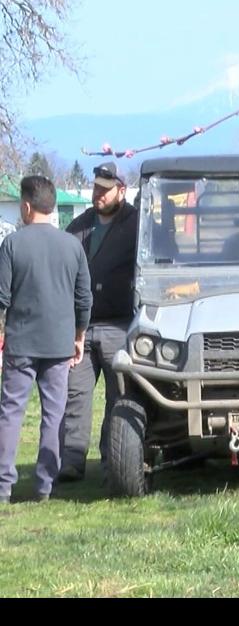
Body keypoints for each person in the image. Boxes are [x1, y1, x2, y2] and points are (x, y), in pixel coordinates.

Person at [0, 175, 91, 504]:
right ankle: (43, 486)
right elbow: (84, 298)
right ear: (51, 206)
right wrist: (79, 336)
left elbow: (1, 298)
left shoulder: (12, 245)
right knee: (54, 415)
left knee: (11, 412)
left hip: (21, 343)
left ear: (25, 206)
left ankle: (3, 485)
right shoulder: (73, 245)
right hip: (59, 343)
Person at [58, 161, 138, 483]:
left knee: (117, 399)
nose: (98, 194)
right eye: (95, 188)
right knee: (75, 395)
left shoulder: (136, 225)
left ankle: (111, 461)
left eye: (105, 189)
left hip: (120, 324)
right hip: (82, 327)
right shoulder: (79, 226)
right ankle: (72, 461)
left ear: (122, 190)